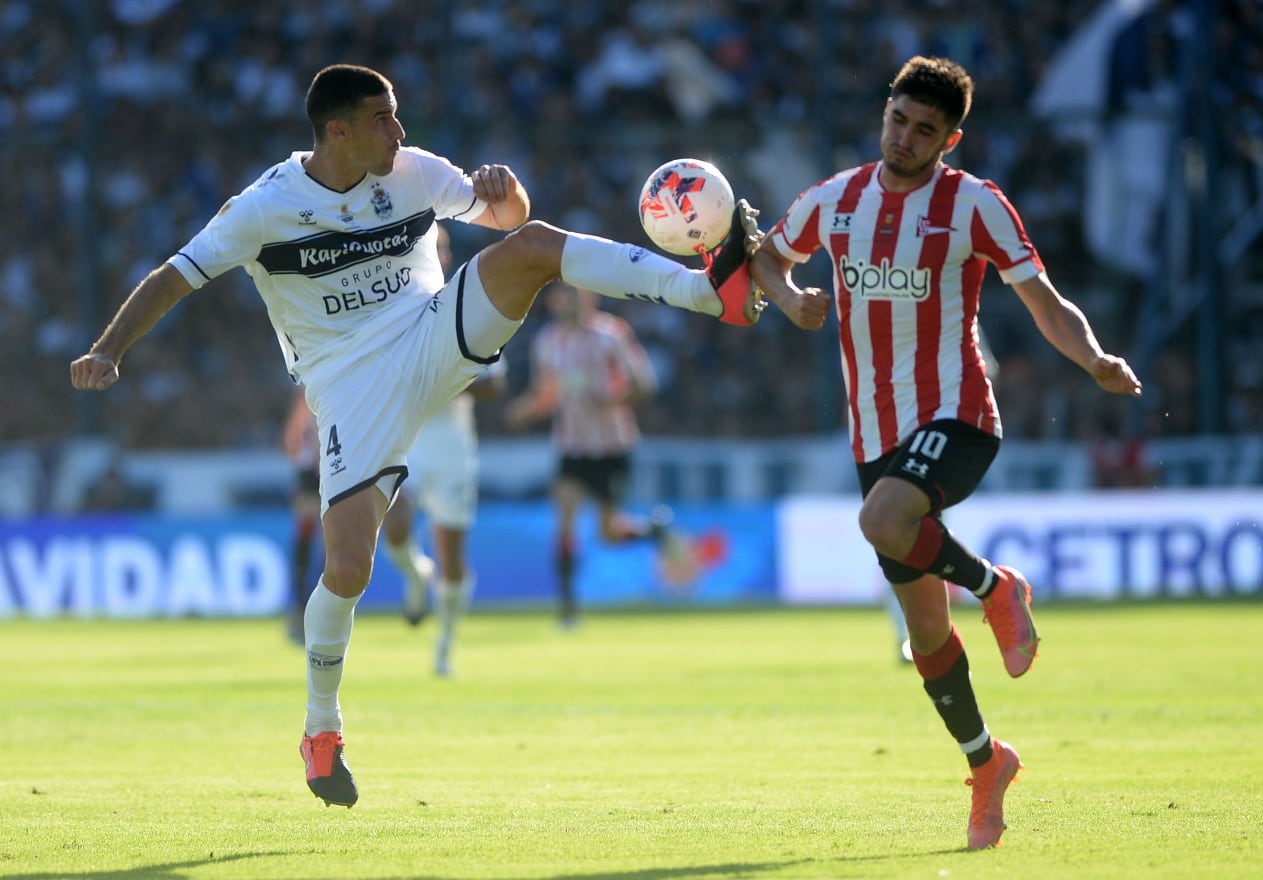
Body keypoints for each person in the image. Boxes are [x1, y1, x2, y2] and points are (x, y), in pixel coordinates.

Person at [69, 63, 762, 810]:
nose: (399, 131)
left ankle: (707, 290)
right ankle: (321, 727)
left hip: (432, 331)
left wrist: (507, 192)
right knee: (347, 569)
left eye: (396, 117)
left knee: (532, 243)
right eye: (382, 119)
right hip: (347, 383)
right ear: (337, 131)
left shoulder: (414, 170)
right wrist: (110, 347)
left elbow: (502, 216)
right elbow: (173, 276)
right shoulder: (263, 208)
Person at [748, 56, 1143, 850]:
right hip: (876, 434)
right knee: (927, 632)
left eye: (925, 130)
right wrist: (791, 302)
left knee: (881, 519)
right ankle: (987, 762)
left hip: (958, 414)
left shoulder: (974, 206)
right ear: (885, 112)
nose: (905, 137)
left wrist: (1094, 359)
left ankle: (997, 589)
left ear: (949, 139)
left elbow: (1044, 301)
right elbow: (767, 257)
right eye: (899, 119)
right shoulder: (835, 199)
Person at [506, 283, 673, 628]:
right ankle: (568, 607)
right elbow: (546, 394)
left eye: (578, 293)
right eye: (565, 294)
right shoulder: (547, 343)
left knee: (608, 534)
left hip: (612, 444)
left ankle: (651, 532)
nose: (571, 300)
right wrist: (521, 412)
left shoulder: (610, 334)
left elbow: (645, 384)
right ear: (554, 301)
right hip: (572, 447)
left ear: (590, 298)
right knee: (564, 518)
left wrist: (610, 401)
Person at [382, 355, 507, 677]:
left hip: (453, 456)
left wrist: (447, 381)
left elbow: (494, 385)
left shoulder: (475, 320)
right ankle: (416, 575)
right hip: (409, 447)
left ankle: (445, 643)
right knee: (394, 526)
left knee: (451, 555)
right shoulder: (403, 318)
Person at [281, 387, 323, 645]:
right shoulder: (307, 385)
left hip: (335, 460)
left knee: (331, 541)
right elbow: (294, 430)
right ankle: (300, 608)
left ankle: (317, 610)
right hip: (311, 468)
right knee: (307, 531)